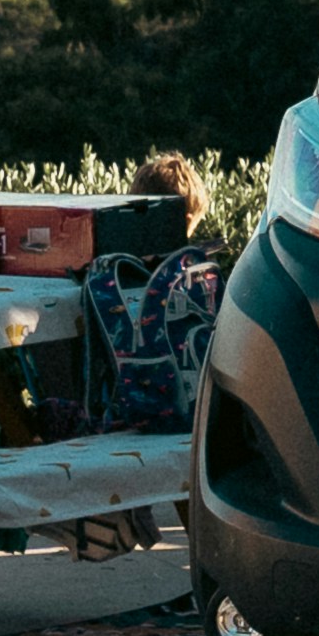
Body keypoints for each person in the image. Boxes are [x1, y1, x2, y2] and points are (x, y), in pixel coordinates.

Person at [79, 153, 226, 437]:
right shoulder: (193, 273)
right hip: (195, 407)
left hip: (129, 406)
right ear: (184, 220)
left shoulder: (113, 274)